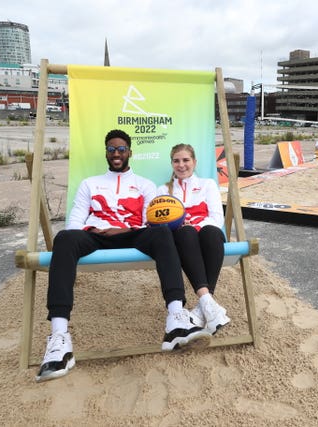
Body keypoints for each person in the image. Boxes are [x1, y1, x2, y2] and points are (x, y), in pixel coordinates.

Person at [36, 129, 211, 383]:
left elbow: (152, 221)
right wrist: (93, 230)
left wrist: (126, 229)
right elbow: (75, 222)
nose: (116, 153)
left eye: (121, 149)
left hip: (133, 233)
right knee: (64, 238)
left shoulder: (145, 185)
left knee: (162, 232)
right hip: (96, 235)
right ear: (106, 153)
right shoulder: (90, 183)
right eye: (111, 149)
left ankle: (176, 317)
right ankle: (59, 338)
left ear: (130, 152)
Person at [156, 143, 230, 335]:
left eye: (186, 160)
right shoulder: (163, 190)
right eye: (176, 161)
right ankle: (209, 304)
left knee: (213, 232)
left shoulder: (207, 184)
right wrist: (186, 227)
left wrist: (193, 226)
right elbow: (158, 223)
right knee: (186, 233)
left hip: (206, 238)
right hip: (181, 240)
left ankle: (203, 307)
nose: (181, 165)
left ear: (194, 162)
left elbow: (216, 218)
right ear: (171, 163)